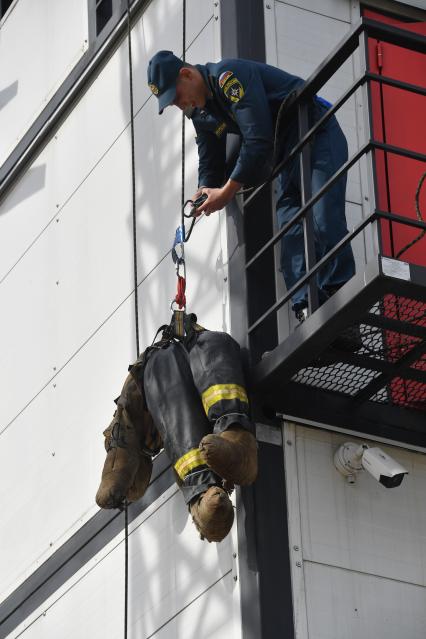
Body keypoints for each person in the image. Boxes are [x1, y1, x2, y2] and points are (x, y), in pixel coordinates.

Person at [147, 50, 356, 322]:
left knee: (324, 217)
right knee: (290, 233)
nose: (178, 104)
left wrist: (226, 193)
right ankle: (308, 309)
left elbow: (257, 140)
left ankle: (342, 300)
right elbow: (210, 163)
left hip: (315, 130)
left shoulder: (228, 77)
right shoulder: (200, 114)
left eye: (175, 96)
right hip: (284, 153)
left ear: (187, 74)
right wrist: (204, 191)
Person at [96, 321, 257, 543]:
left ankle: (237, 438)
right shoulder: (149, 379)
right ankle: (202, 486)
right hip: (167, 380)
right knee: (167, 369)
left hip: (184, 368)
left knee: (211, 343)